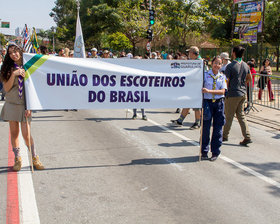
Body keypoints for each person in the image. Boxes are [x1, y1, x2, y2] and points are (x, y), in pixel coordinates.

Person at [0, 44, 44, 171]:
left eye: (15, 51)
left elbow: (34, 88)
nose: (14, 54)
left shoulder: (29, 65)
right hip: (12, 104)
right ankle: (17, 158)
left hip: (25, 105)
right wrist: (14, 74)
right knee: (14, 133)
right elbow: (6, 89)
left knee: (26, 134)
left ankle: (34, 157)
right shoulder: (7, 68)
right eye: (10, 53)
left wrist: (30, 105)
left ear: (20, 51)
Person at [223, 46, 252, 146]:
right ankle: (247, 136)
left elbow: (227, 81)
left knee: (228, 115)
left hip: (232, 93)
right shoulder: (245, 65)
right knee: (241, 115)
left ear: (234, 53)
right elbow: (250, 78)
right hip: (242, 93)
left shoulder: (230, 66)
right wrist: (242, 84)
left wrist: (225, 91)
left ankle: (224, 135)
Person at [201, 56, 227, 161]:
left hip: (219, 104)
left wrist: (209, 91)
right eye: (215, 63)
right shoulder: (205, 75)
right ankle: (204, 151)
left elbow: (222, 91)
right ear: (212, 64)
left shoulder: (222, 77)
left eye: (219, 63)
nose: (217, 65)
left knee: (218, 129)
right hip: (207, 103)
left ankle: (215, 152)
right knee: (206, 128)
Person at [171, 46, 202, 129]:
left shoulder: (199, 62)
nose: (188, 54)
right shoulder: (192, 61)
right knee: (187, 102)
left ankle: (197, 123)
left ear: (192, 53)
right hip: (191, 86)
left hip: (197, 87)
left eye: (189, 52)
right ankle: (180, 120)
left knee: (196, 106)